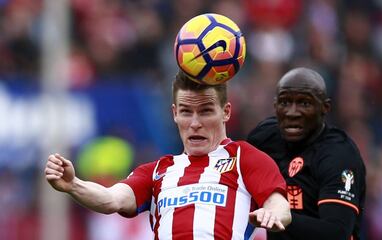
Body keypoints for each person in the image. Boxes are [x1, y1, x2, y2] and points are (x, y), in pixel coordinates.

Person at [44, 71, 292, 240]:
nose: (195, 123)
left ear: (225, 112)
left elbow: (280, 205)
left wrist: (271, 214)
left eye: (205, 111)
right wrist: (73, 185)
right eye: (186, 112)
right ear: (174, 113)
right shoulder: (157, 171)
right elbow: (111, 199)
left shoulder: (244, 157)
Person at [247, 67, 366, 240]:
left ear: (325, 108)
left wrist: (287, 220)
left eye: (304, 103)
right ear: (275, 105)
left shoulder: (339, 156)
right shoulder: (263, 139)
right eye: (285, 102)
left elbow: (337, 233)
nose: (292, 112)